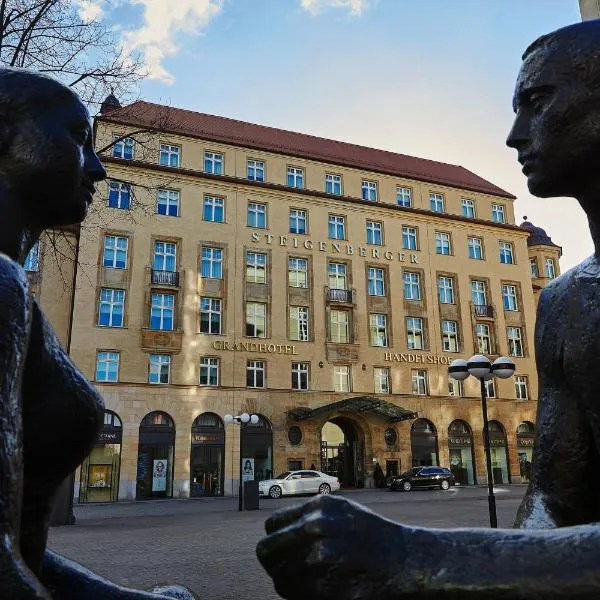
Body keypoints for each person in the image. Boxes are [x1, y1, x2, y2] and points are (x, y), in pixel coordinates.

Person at [256, 20, 600, 599]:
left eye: (538, 102)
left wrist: (413, 555)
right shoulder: (566, 302)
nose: (515, 135)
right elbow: (553, 506)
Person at [0, 67, 193, 599]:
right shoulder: (0, 285)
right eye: (78, 139)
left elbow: (20, 556)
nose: (101, 170)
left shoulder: (13, 291)